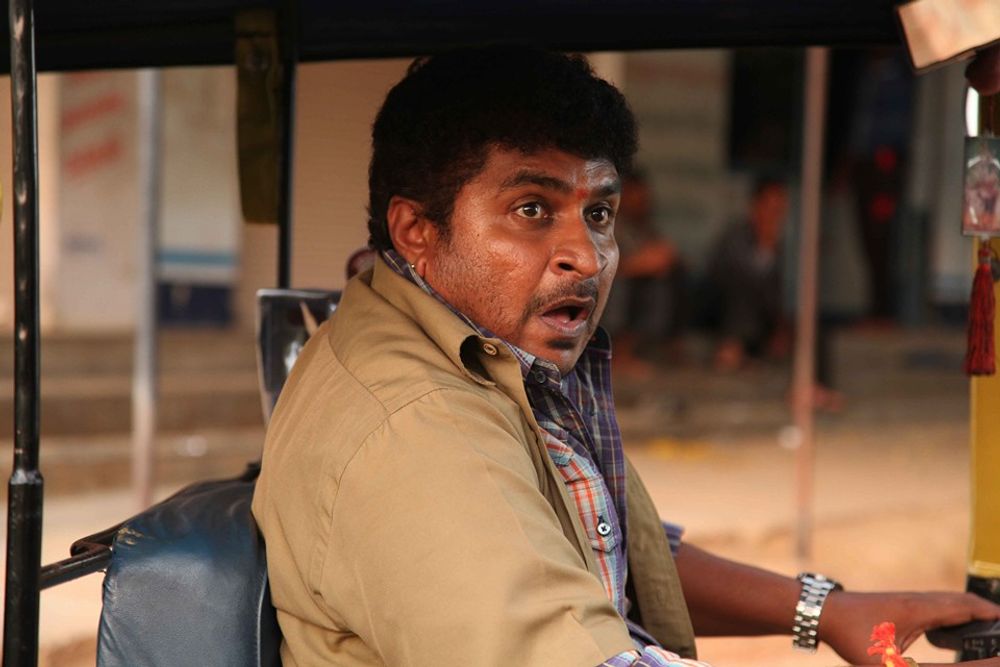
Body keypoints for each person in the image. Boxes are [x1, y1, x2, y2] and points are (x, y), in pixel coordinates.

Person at [252, 46, 1000, 667]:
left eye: (599, 212)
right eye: (532, 210)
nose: (585, 255)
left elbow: (616, 548)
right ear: (417, 230)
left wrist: (827, 610)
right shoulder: (417, 426)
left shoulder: (479, 353)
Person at [602, 170, 687, 378]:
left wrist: (663, 259)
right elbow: (603, 266)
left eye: (643, 196)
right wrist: (638, 264)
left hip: (639, 287)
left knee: (670, 277)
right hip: (609, 289)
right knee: (621, 285)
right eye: (634, 195)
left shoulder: (645, 228)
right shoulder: (606, 224)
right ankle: (619, 354)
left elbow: (662, 254)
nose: (640, 201)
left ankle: (669, 345)